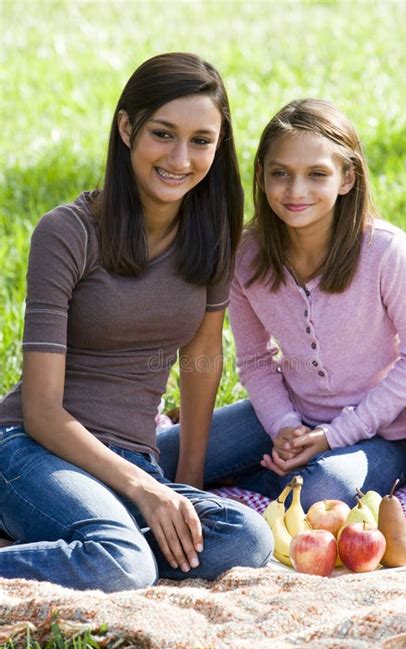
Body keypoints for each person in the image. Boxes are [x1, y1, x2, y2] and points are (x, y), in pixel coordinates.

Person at [0, 53, 273, 592]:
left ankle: (78, 536)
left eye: (201, 140)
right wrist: (146, 492)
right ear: (127, 128)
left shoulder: (213, 238)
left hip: (136, 453)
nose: (180, 158)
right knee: (122, 563)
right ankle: (86, 536)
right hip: (31, 447)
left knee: (246, 538)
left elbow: (201, 362)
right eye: (163, 134)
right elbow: (41, 412)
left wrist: (183, 489)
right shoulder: (67, 233)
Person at [157, 99, 406, 511]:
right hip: (285, 418)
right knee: (162, 455)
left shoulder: (387, 252)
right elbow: (255, 361)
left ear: (346, 178)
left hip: (376, 434)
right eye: (280, 174)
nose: (295, 191)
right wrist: (284, 426)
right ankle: (264, 470)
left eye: (316, 175)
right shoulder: (246, 257)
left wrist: (333, 436)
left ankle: (251, 476)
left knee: (318, 491)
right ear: (261, 175)